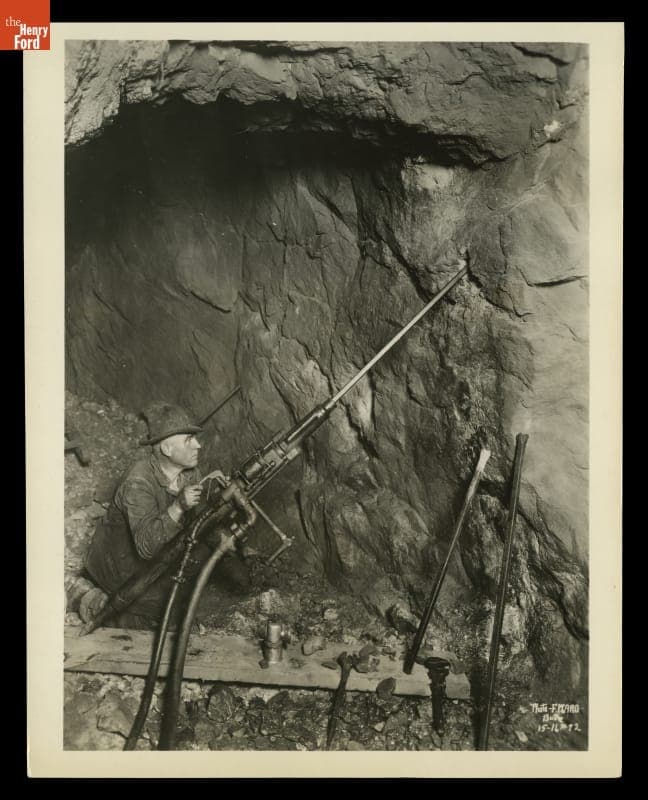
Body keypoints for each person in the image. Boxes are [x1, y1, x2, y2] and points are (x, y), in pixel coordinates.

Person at [82, 401, 250, 630]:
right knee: (170, 621)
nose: (198, 446)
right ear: (167, 450)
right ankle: (89, 600)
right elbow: (146, 547)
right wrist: (178, 507)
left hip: (159, 556)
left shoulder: (190, 473)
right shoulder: (138, 482)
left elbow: (199, 518)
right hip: (118, 567)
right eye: (189, 441)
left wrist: (223, 533)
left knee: (189, 590)